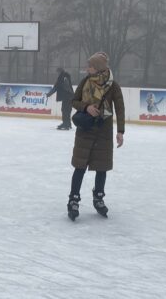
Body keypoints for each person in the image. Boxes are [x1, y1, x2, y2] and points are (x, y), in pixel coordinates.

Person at [67, 52, 125, 221]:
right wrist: (86, 108)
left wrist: (120, 131)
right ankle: (73, 199)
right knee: (79, 167)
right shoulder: (85, 82)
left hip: (103, 132)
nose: (87, 69)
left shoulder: (113, 86)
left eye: (90, 66)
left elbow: (120, 108)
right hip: (85, 130)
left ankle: (98, 198)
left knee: (102, 167)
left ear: (98, 67)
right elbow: (74, 101)